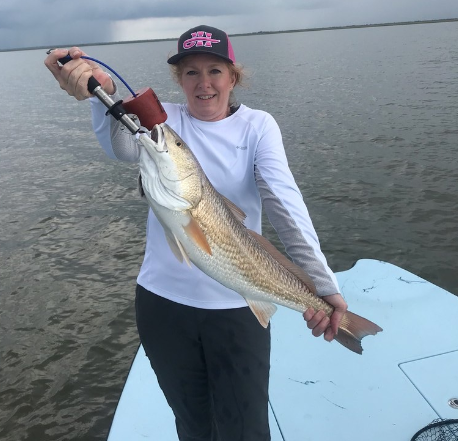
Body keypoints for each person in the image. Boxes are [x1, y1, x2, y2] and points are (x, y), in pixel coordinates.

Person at [45, 25, 348, 441]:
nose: (203, 83)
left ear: (233, 77)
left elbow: (284, 204)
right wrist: (103, 94)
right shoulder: (162, 124)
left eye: (215, 71)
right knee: (192, 424)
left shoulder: (258, 126)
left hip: (239, 308)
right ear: (178, 79)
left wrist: (322, 284)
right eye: (190, 73)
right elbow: (124, 146)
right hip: (162, 306)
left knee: (245, 427)